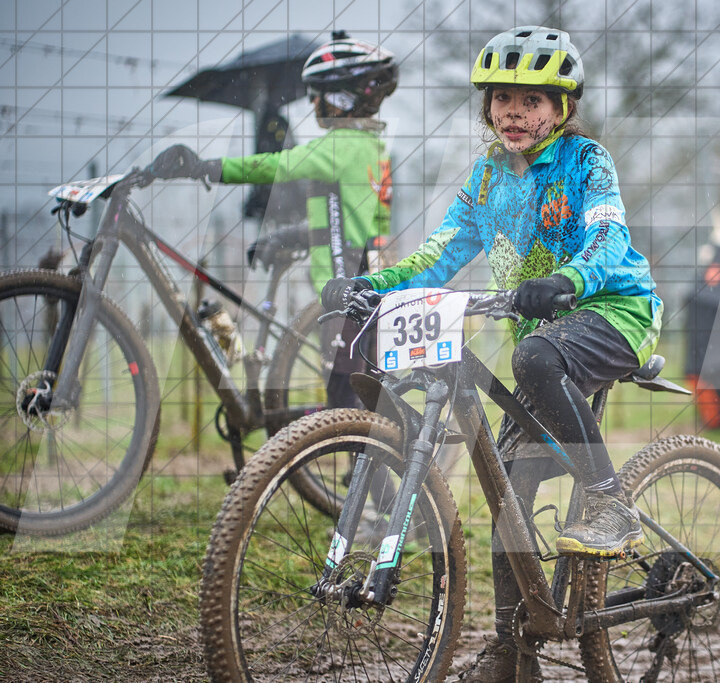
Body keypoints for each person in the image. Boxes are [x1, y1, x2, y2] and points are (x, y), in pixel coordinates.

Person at [321, 25, 663, 682]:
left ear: (562, 108)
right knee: (509, 497)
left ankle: (610, 500)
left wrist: (568, 281)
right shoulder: (485, 178)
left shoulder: (587, 160)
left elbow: (608, 237)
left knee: (535, 355)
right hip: (543, 342)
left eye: (533, 100)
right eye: (503, 97)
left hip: (614, 310)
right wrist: (375, 283)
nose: (515, 111)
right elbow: (440, 252)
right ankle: (514, 653)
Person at [148, 31, 397, 412]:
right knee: (354, 387)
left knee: (346, 397)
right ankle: (359, 460)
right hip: (363, 280)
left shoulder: (338, 145)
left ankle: (360, 461)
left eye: (317, 93)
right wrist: (286, 236)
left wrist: (204, 167)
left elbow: (273, 165)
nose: (312, 102)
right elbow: (350, 223)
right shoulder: (372, 146)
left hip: (342, 285)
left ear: (341, 97)